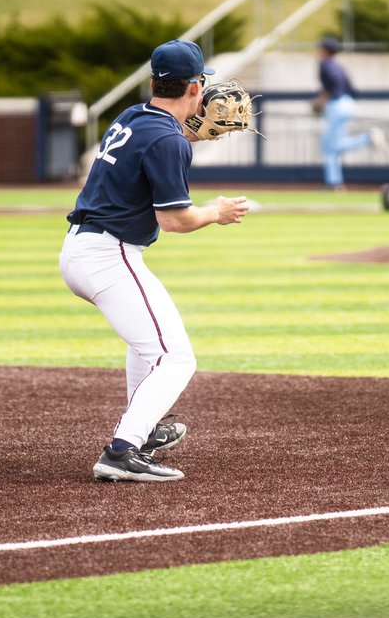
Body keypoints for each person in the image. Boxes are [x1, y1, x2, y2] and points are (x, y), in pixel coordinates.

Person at [60, 39, 250, 483]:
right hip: (110, 256)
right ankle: (121, 451)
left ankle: (140, 433)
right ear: (196, 87)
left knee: (147, 344)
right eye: (202, 85)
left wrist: (189, 132)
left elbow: (157, 144)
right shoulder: (169, 142)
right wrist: (216, 212)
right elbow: (176, 221)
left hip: (82, 249)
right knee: (176, 357)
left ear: (153, 83)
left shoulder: (132, 116)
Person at [314, 36, 386, 190]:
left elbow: (332, 86)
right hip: (347, 103)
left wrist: (323, 98)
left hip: (336, 105)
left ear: (325, 50)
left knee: (332, 146)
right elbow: (352, 88)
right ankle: (334, 183)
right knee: (330, 146)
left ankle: (367, 138)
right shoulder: (339, 66)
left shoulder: (325, 64)